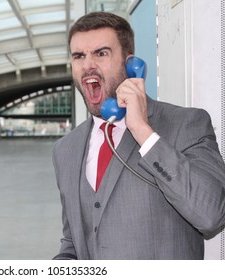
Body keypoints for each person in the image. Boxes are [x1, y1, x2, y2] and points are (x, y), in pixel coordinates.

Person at [52, 11, 225, 260]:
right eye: (79, 56)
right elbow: (73, 242)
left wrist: (144, 132)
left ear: (130, 64)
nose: (88, 64)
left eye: (101, 53)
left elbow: (211, 215)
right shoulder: (65, 149)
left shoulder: (186, 124)